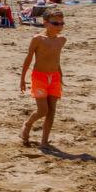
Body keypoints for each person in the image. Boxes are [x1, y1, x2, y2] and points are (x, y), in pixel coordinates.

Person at [19, 8, 65, 149]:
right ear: (45, 23)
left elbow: (56, 60)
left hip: (55, 78)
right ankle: (28, 124)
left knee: (52, 111)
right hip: (39, 77)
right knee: (43, 110)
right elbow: (28, 59)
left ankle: (44, 141)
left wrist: (61, 76)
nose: (59, 26)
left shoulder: (62, 40)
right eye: (55, 23)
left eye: (62, 23)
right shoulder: (38, 39)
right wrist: (22, 79)